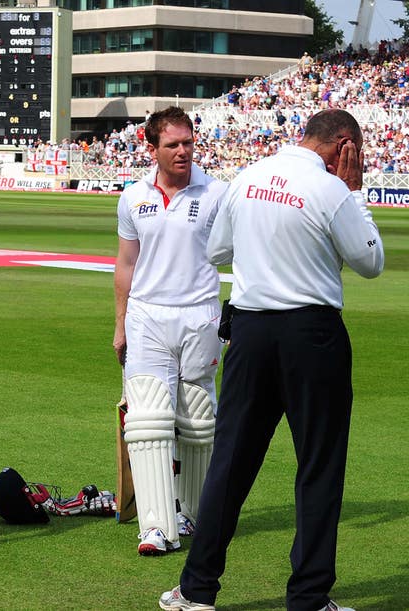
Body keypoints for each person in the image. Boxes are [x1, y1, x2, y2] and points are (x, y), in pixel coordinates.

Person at [159, 109, 384, 610]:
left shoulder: (249, 177)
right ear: (344, 145)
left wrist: (266, 250)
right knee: (319, 468)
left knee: (231, 464)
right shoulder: (330, 190)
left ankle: (196, 590)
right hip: (312, 335)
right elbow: (370, 260)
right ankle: (307, 598)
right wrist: (352, 193)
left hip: (252, 331)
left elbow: (217, 252)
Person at [113, 106, 228, 556]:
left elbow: (240, 253)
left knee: (198, 422)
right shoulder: (133, 196)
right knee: (146, 421)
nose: (183, 151)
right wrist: (119, 324)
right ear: (152, 147)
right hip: (146, 315)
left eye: (188, 142)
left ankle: (195, 513)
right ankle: (156, 527)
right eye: (173, 144)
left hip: (200, 314)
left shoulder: (217, 193)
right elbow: (126, 264)